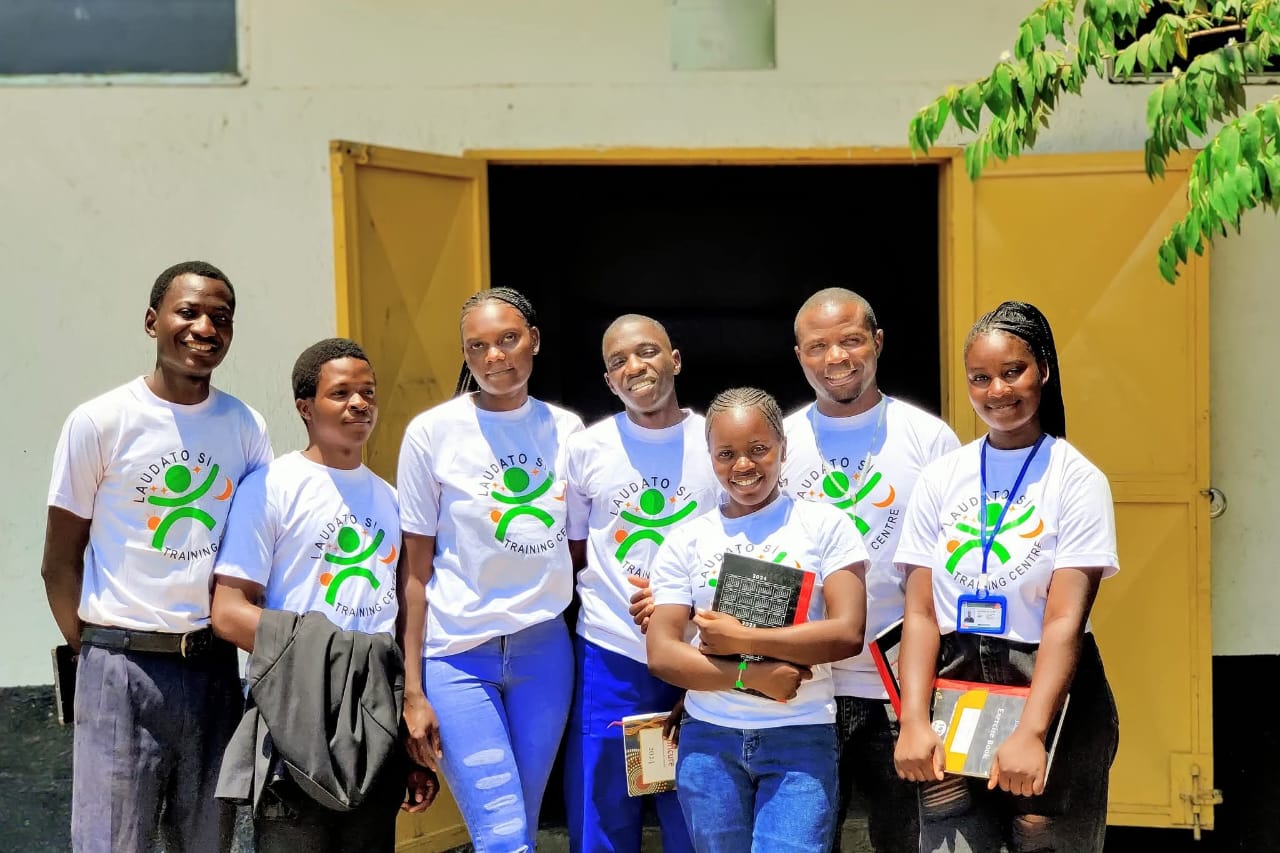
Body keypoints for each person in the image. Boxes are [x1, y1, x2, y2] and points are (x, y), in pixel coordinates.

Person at [41, 260, 273, 853]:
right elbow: (60, 561)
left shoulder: (246, 427)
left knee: (207, 840)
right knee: (111, 842)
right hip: (120, 668)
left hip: (213, 670)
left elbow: (255, 558)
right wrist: (97, 655)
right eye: (188, 312)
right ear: (153, 321)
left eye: (220, 318)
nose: (204, 328)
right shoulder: (100, 422)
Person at [892, 301, 1120, 853]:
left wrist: (1032, 732)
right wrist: (913, 720)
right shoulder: (942, 477)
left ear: (1042, 368)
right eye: (980, 378)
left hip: (1043, 684)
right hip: (955, 678)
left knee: (1043, 839)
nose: (997, 390)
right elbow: (920, 613)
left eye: (1012, 371)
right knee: (951, 842)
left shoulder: (1076, 478)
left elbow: (1065, 618)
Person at [209, 338, 436, 851]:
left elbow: (400, 617)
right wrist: (321, 656)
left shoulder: (391, 499)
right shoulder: (270, 487)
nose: (359, 404)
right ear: (305, 407)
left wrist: (404, 727)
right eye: (341, 393)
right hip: (295, 711)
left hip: (374, 713)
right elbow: (227, 611)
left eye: (367, 392)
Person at [396, 287, 585, 851]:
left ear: (534, 340)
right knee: (503, 835)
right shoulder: (431, 433)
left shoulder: (568, 431)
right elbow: (414, 574)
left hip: (544, 652)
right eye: (478, 346)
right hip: (457, 658)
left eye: (508, 339)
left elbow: (575, 548)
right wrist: (412, 690)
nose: (495, 357)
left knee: (518, 827)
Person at [646, 387, 869, 853]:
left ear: (783, 448)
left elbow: (847, 632)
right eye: (726, 453)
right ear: (709, 457)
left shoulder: (826, 526)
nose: (743, 466)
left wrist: (742, 637)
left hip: (801, 736)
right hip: (710, 742)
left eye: (758, 449)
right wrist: (752, 674)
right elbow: (663, 654)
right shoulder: (686, 540)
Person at [782, 287, 959, 853]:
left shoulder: (929, 440)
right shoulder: (778, 442)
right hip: (805, 690)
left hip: (902, 692)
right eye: (818, 346)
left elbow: (951, 571)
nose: (836, 357)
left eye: (851, 340)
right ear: (799, 355)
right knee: (805, 840)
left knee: (909, 840)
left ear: (878, 343)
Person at [563, 314, 720, 853]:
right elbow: (578, 548)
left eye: (648, 352)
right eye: (618, 362)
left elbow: (750, 540)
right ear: (608, 381)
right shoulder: (587, 449)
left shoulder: (716, 440)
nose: (636, 367)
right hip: (612, 649)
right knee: (604, 806)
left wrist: (682, 602)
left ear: (674, 359)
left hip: (701, 652)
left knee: (696, 803)